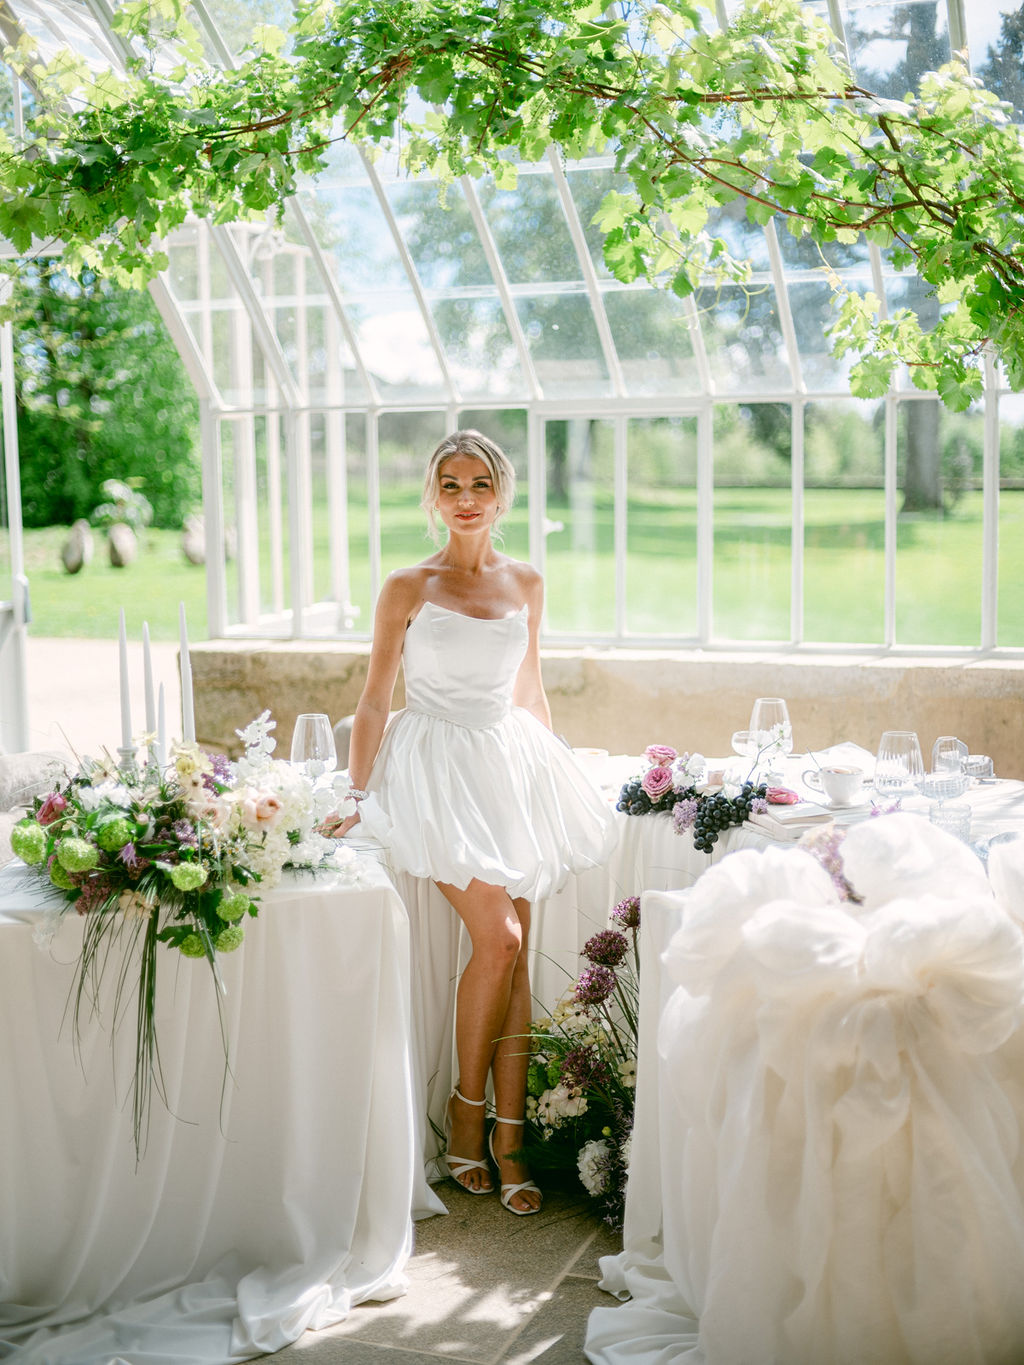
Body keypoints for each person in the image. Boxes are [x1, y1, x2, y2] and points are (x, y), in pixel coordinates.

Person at [327, 429, 615, 1216]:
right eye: (449, 484)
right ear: (432, 495)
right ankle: (463, 1114)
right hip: (431, 765)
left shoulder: (526, 582)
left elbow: (531, 687)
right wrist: (357, 794)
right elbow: (375, 698)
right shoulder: (406, 586)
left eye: (479, 483)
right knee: (504, 938)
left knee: (519, 958)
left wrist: (551, 770)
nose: (465, 498)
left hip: (509, 762)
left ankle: (509, 1137)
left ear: (502, 492)